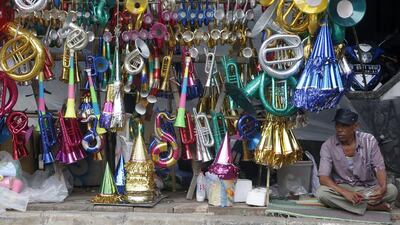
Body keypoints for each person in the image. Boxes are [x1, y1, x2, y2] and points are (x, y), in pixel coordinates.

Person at [316, 108, 398, 215]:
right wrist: (345, 192)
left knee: (392, 190)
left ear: (355, 126)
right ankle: (370, 207)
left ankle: (353, 204)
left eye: (344, 126)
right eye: (337, 125)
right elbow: (323, 178)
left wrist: (382, 188)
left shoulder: (369, 141)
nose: (339, 129)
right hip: (342, 188)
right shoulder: (328, 145)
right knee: (322, 193)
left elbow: (379, 167)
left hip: (367, 188)